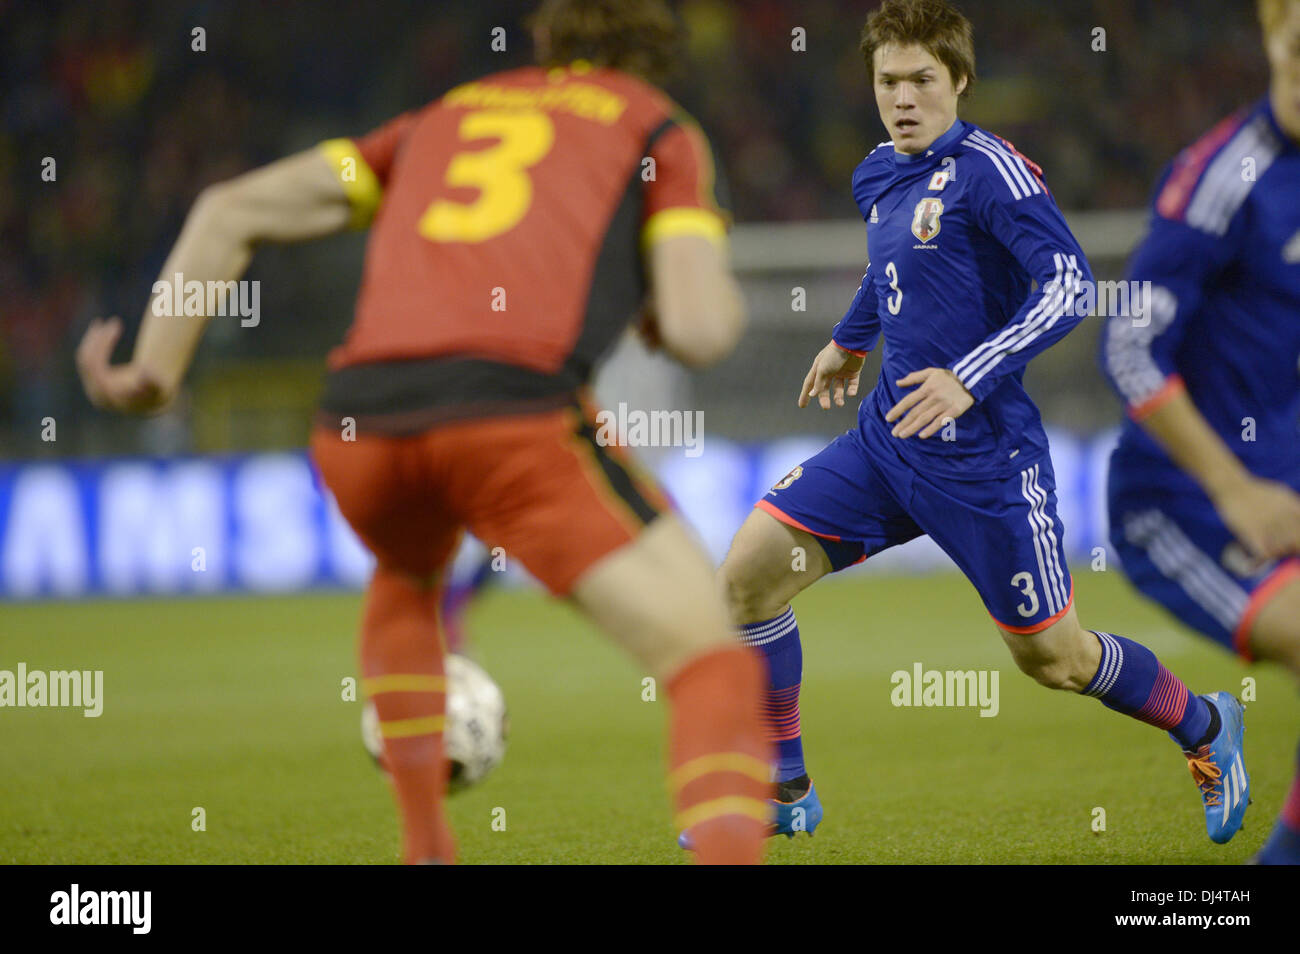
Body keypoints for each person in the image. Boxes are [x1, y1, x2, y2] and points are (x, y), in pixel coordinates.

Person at [76, 0, 772, 865]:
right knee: (714, 664)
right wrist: (688, 296)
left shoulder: (441, 117)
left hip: (358, 422)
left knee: (407, 576)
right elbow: (701, 329)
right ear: (653, 56)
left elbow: (228, 208)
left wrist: (153, 374)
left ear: (543, 42)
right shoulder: (657, 128)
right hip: (507, 415)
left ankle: (426, 850)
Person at [691, 0, 1248, 850]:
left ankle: (1204, 725)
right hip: (888, 443)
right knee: (747, 579)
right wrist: (849, 341)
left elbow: (1066, 286)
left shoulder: (997, 173)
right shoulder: (877, 172)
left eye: (922, 80)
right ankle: (788, 788)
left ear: (959, 81)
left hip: (987, 463)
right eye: (888, 82)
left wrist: (970, 375)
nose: (903, 98)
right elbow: (893, 270)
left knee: (1053, 659)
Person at [1102, 0, 1300, 866]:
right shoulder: (1225, 177)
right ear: (1271, 32)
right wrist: (1232, 488)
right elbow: (1130, 346)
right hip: (1183, 503)